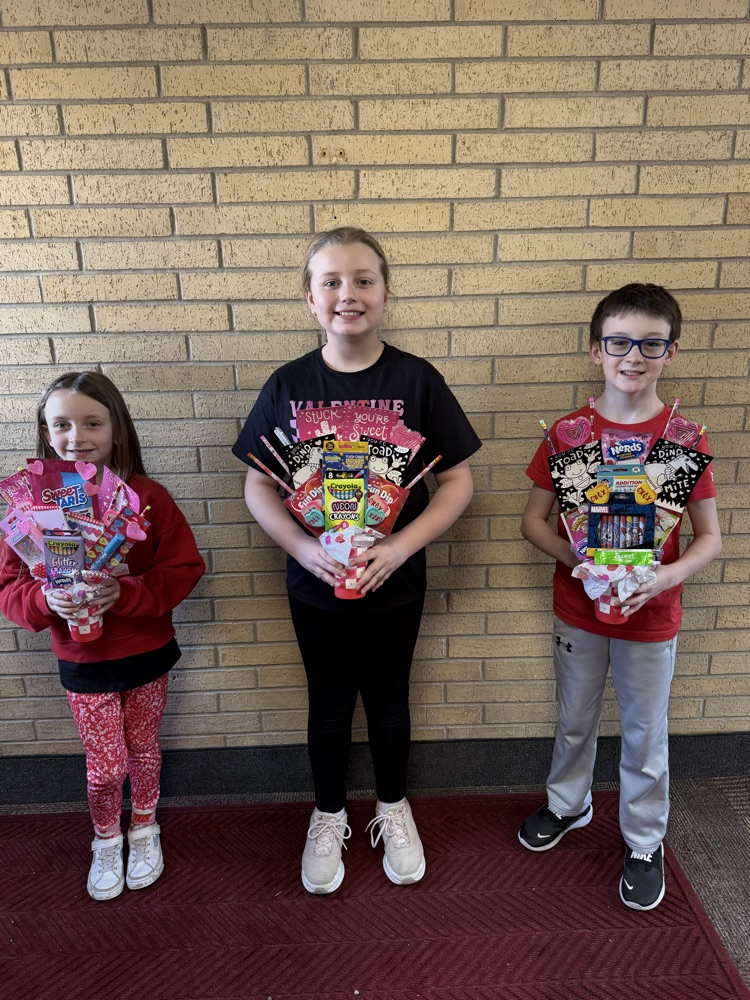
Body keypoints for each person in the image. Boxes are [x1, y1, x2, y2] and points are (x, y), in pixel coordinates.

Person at [233, 227, 481, 894]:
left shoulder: (416, 379)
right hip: (315, 588)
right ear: (309, 298)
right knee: (329, 706)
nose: (349, 294)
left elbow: (458, 480)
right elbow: (258, 483)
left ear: (386, 293)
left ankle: (394, 808)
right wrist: (303, 548)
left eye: (364, 280)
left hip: (394, 586)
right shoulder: (287, 384)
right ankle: (328, 815)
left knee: (391, 702)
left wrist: (400, 546)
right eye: (332, 282)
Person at [517, 284, 721, 911]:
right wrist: (581, 562)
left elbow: (710, 538)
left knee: (644, 731)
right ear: (595, 350)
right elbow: (533, 523)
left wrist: (661, 577)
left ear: (671, 351)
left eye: (651, 344)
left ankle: (643, 839)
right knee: (575, 717)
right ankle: (567, 804)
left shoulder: (683, 440)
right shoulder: (568, 435)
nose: (634, 356)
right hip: (579, 609)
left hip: (652, 616)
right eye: (620, 343)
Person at [0, 372, 205, 901]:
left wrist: (128, 593)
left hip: (146, 652)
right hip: (82, 658)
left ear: (117, 428)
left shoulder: (146, 496)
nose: (77, 436)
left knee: (144, 751)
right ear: (46, 433)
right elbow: (9, 587)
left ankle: (144, 828)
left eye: (93, 422)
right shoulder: (30, 511)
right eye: (62, 424)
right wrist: (47, 601)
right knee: (105, 765)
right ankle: (106, 837)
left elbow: (184, 566)